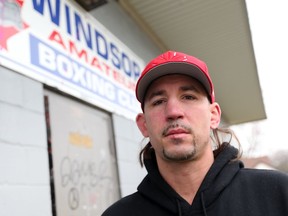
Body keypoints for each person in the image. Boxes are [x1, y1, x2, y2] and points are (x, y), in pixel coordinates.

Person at [102, 51, 288, 216]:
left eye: (189, 97)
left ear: (213, 115)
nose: (174, 111)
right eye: (159, 101)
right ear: (143, 125)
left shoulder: (278, 193)